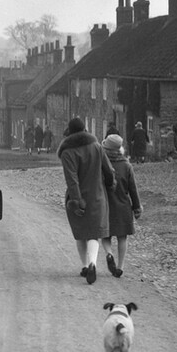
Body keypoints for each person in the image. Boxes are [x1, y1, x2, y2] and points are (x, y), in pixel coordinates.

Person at [57, 117, 116, 285]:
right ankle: (92, 264)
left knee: (81, 233)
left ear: (70, 132)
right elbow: (109, 171)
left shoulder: (67, 152)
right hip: (97, 196)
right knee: (94, 234)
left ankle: (84, 266)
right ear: (84, 130)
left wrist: (76, 200)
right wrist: (111, 184)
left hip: (78, 198)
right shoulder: (97, 147)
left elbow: (72, 180)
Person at [99, 134, 142, 278]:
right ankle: (120, 267)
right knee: (122, 237)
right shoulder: (126, 165)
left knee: (105, 236)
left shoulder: (102, 164)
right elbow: (133, 189)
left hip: (106, 205)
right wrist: (136, 207)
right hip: (123, 205)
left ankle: (109, 253)